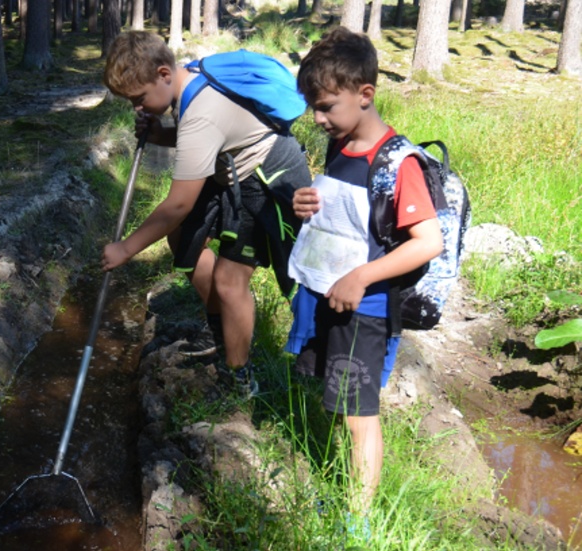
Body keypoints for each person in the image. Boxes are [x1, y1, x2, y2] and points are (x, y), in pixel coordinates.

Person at [289, 26, 444, 535]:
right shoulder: (341, 145)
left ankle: (358, 521)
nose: (318, 118)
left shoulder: (397, 164)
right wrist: (304, 203)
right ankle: (343, 483)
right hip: (330, 298)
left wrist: (362, 276)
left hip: (368, 309)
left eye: (328, 106)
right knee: (335, 401)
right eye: (314, 106)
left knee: (360, 416)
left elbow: (428, 242)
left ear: (365, 94)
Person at [101, 31, 312, 395]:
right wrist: (159, 134)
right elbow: (203, 141)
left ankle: (240, 375)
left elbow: (178, 204)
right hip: (229, 173)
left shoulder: (201, 111)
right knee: (183, 237)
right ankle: (221, 332)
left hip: (264, 181)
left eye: (139, 98)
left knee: (230, 281)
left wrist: (125, 249)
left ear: (164, 73)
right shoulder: (190, 81)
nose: (137, 107)